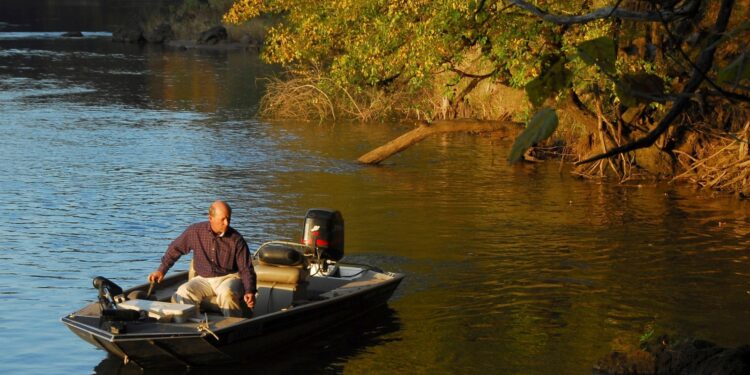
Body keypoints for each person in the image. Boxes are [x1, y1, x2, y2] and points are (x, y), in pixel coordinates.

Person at [148, 200, 256, 317]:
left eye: (228, 219)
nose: (227, 223)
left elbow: (246, 268)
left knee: (227, 294)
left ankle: (233, 327)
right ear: (210, 218)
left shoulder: (236, 240)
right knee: (183, 293)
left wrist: (249, 290)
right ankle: (192, 325)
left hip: (228, 278)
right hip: (203, 279)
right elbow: (175, 248)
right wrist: (161, 270)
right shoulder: (195, 231)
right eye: (223, 219)